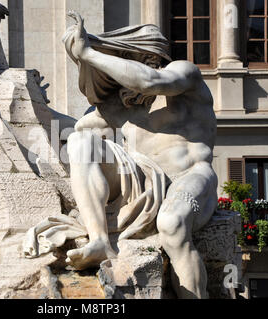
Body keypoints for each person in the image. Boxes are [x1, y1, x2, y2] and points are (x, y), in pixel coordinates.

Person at [63, 11, 218, 299]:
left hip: (192, 178)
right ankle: (99, 241)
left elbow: (149, 83)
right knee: (79, 142)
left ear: (147, 58)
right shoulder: (115, 108)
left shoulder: (184, 77)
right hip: (146, 180)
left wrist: (88, 54)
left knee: (172, 225)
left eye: (120, 63)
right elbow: (69, 128)